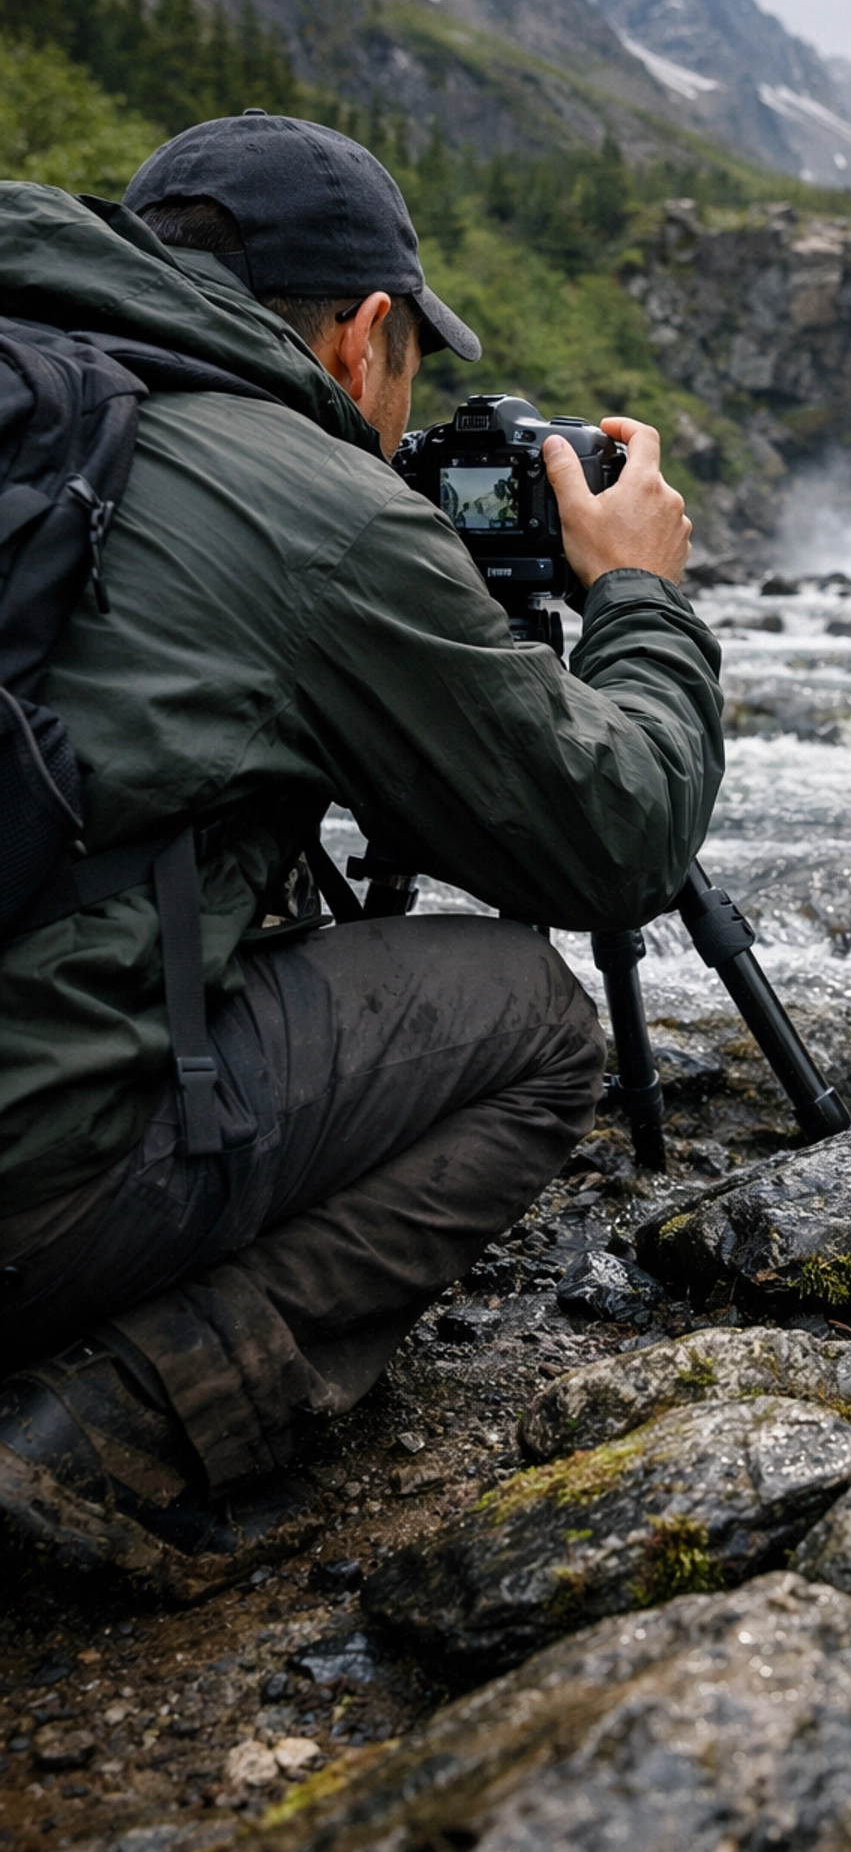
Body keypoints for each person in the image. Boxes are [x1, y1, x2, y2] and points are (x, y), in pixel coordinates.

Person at [0, 113, 723, 1595]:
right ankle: (105, 1428)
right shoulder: (309, 503)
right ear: (363, 336)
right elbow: (617, 840)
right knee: (530, 1020)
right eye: (412, 375)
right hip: (22, 1186)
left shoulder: (44, 398)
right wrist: (640, 599)